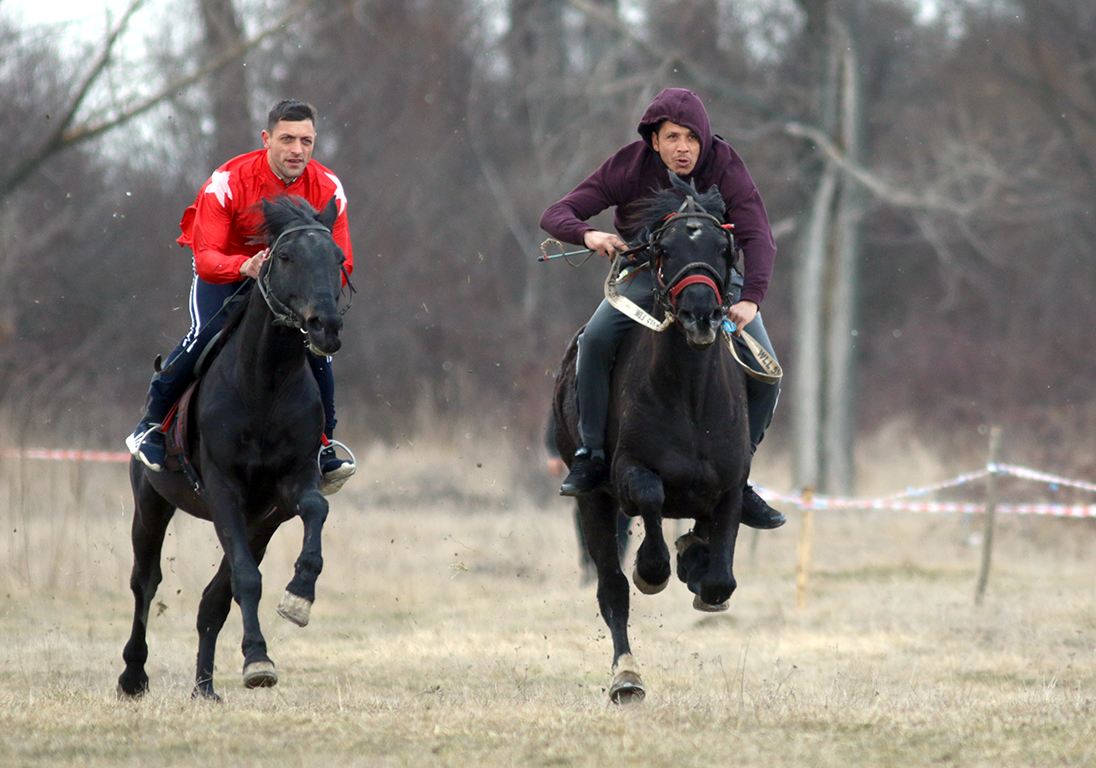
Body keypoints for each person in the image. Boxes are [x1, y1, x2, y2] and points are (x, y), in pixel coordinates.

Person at [539, 87, 784, 529]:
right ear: (654, 140)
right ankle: (591, 455)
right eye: (672, 137)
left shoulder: (726, 165)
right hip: (645, 277)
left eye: (692, 137)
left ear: (704, 139)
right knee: (594, 340)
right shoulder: (629, 164)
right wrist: (587, 235)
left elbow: (758, 237)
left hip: (717, 285)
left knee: (769, 371)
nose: (683, 148)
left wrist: (751, 298)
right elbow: (558, 213)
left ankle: (738, 477)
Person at [126, 99, 355, 488]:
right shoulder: (229, 180)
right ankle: (150, 426)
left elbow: (341, 258)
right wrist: (243, 266)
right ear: (266, 139)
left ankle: (324, 446)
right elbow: (205, 258)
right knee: (204, 336)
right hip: (227, 276)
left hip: (285, 287)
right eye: (287, 139)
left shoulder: (328, 187)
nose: (297, 150)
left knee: (318, 349)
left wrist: (314, 299)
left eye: (306, 141)